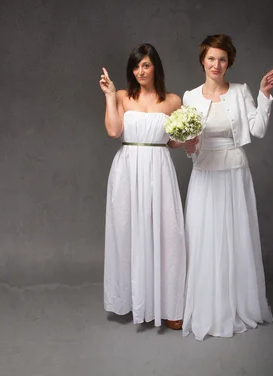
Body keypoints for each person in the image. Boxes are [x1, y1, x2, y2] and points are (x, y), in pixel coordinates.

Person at [180, 34, 273, 340]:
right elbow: (189, 148)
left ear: (229, 63)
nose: (216, 64)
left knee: (236, 238)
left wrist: (264, 95)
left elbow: (258, 130)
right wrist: (189, 144)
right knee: (204, 238)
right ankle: (208, 308)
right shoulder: (190, 97)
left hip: (235, 173)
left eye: (222, 59)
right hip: (204, 173)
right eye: (211, 58)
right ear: (202, 60)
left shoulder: (241, 91)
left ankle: (239, 305)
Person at [99, 43, 186, 330]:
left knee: (166, 234)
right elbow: (114, 131)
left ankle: (170, 306)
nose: (140, 71)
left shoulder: (173, 100)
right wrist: (111, 97)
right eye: (136, 66)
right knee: (129, 232)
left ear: (156, 67)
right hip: (128, 170)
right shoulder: (124, 96)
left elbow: (173, 141)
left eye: (146, 65)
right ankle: (133, 300)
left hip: (159, 169)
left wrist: (191, 137)